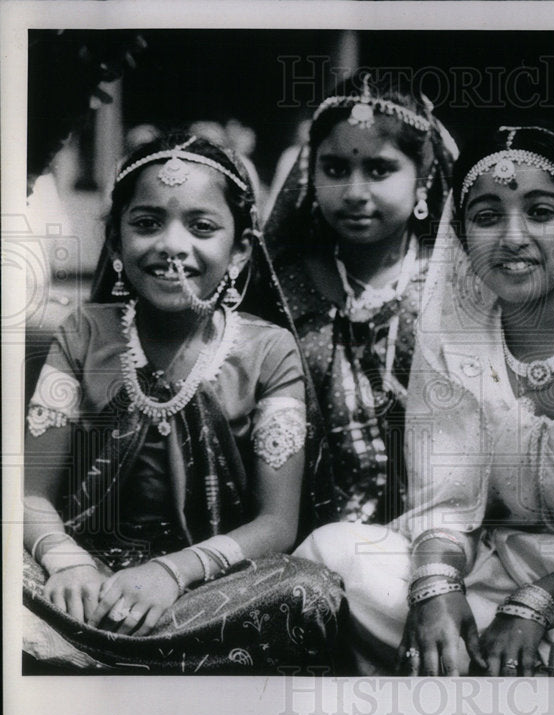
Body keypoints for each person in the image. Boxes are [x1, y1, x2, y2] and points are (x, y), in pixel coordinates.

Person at [295, 126, 554, 676]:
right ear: (460, 232)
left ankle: (501, 673)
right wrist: (435, 588)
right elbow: (446, 502)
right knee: (337, 553)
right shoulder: (456, 333)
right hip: (495, 565)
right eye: (487, 216)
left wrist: (537, 604)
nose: (513, 237)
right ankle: (471, 665)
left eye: (542, 212)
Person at [22, 133, 344, 673]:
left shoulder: (269, 351)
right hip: (83, 583)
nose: (172, 245)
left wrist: (170, 574)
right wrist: (67, 562)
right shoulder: (84, 333)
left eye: (202, 227)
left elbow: (276, 523)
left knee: (306, 595)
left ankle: (93, 659)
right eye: (146, 223)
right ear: (117, 243)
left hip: (207, 587)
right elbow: (30, 494)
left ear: (241, 250)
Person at [264, 72, 457, 527]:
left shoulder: (455, 285)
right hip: (304, 532)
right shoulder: (280, 287)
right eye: (334, 169)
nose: (354, 193)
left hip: (443, 529)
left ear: (423, 176)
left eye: (379, 169)